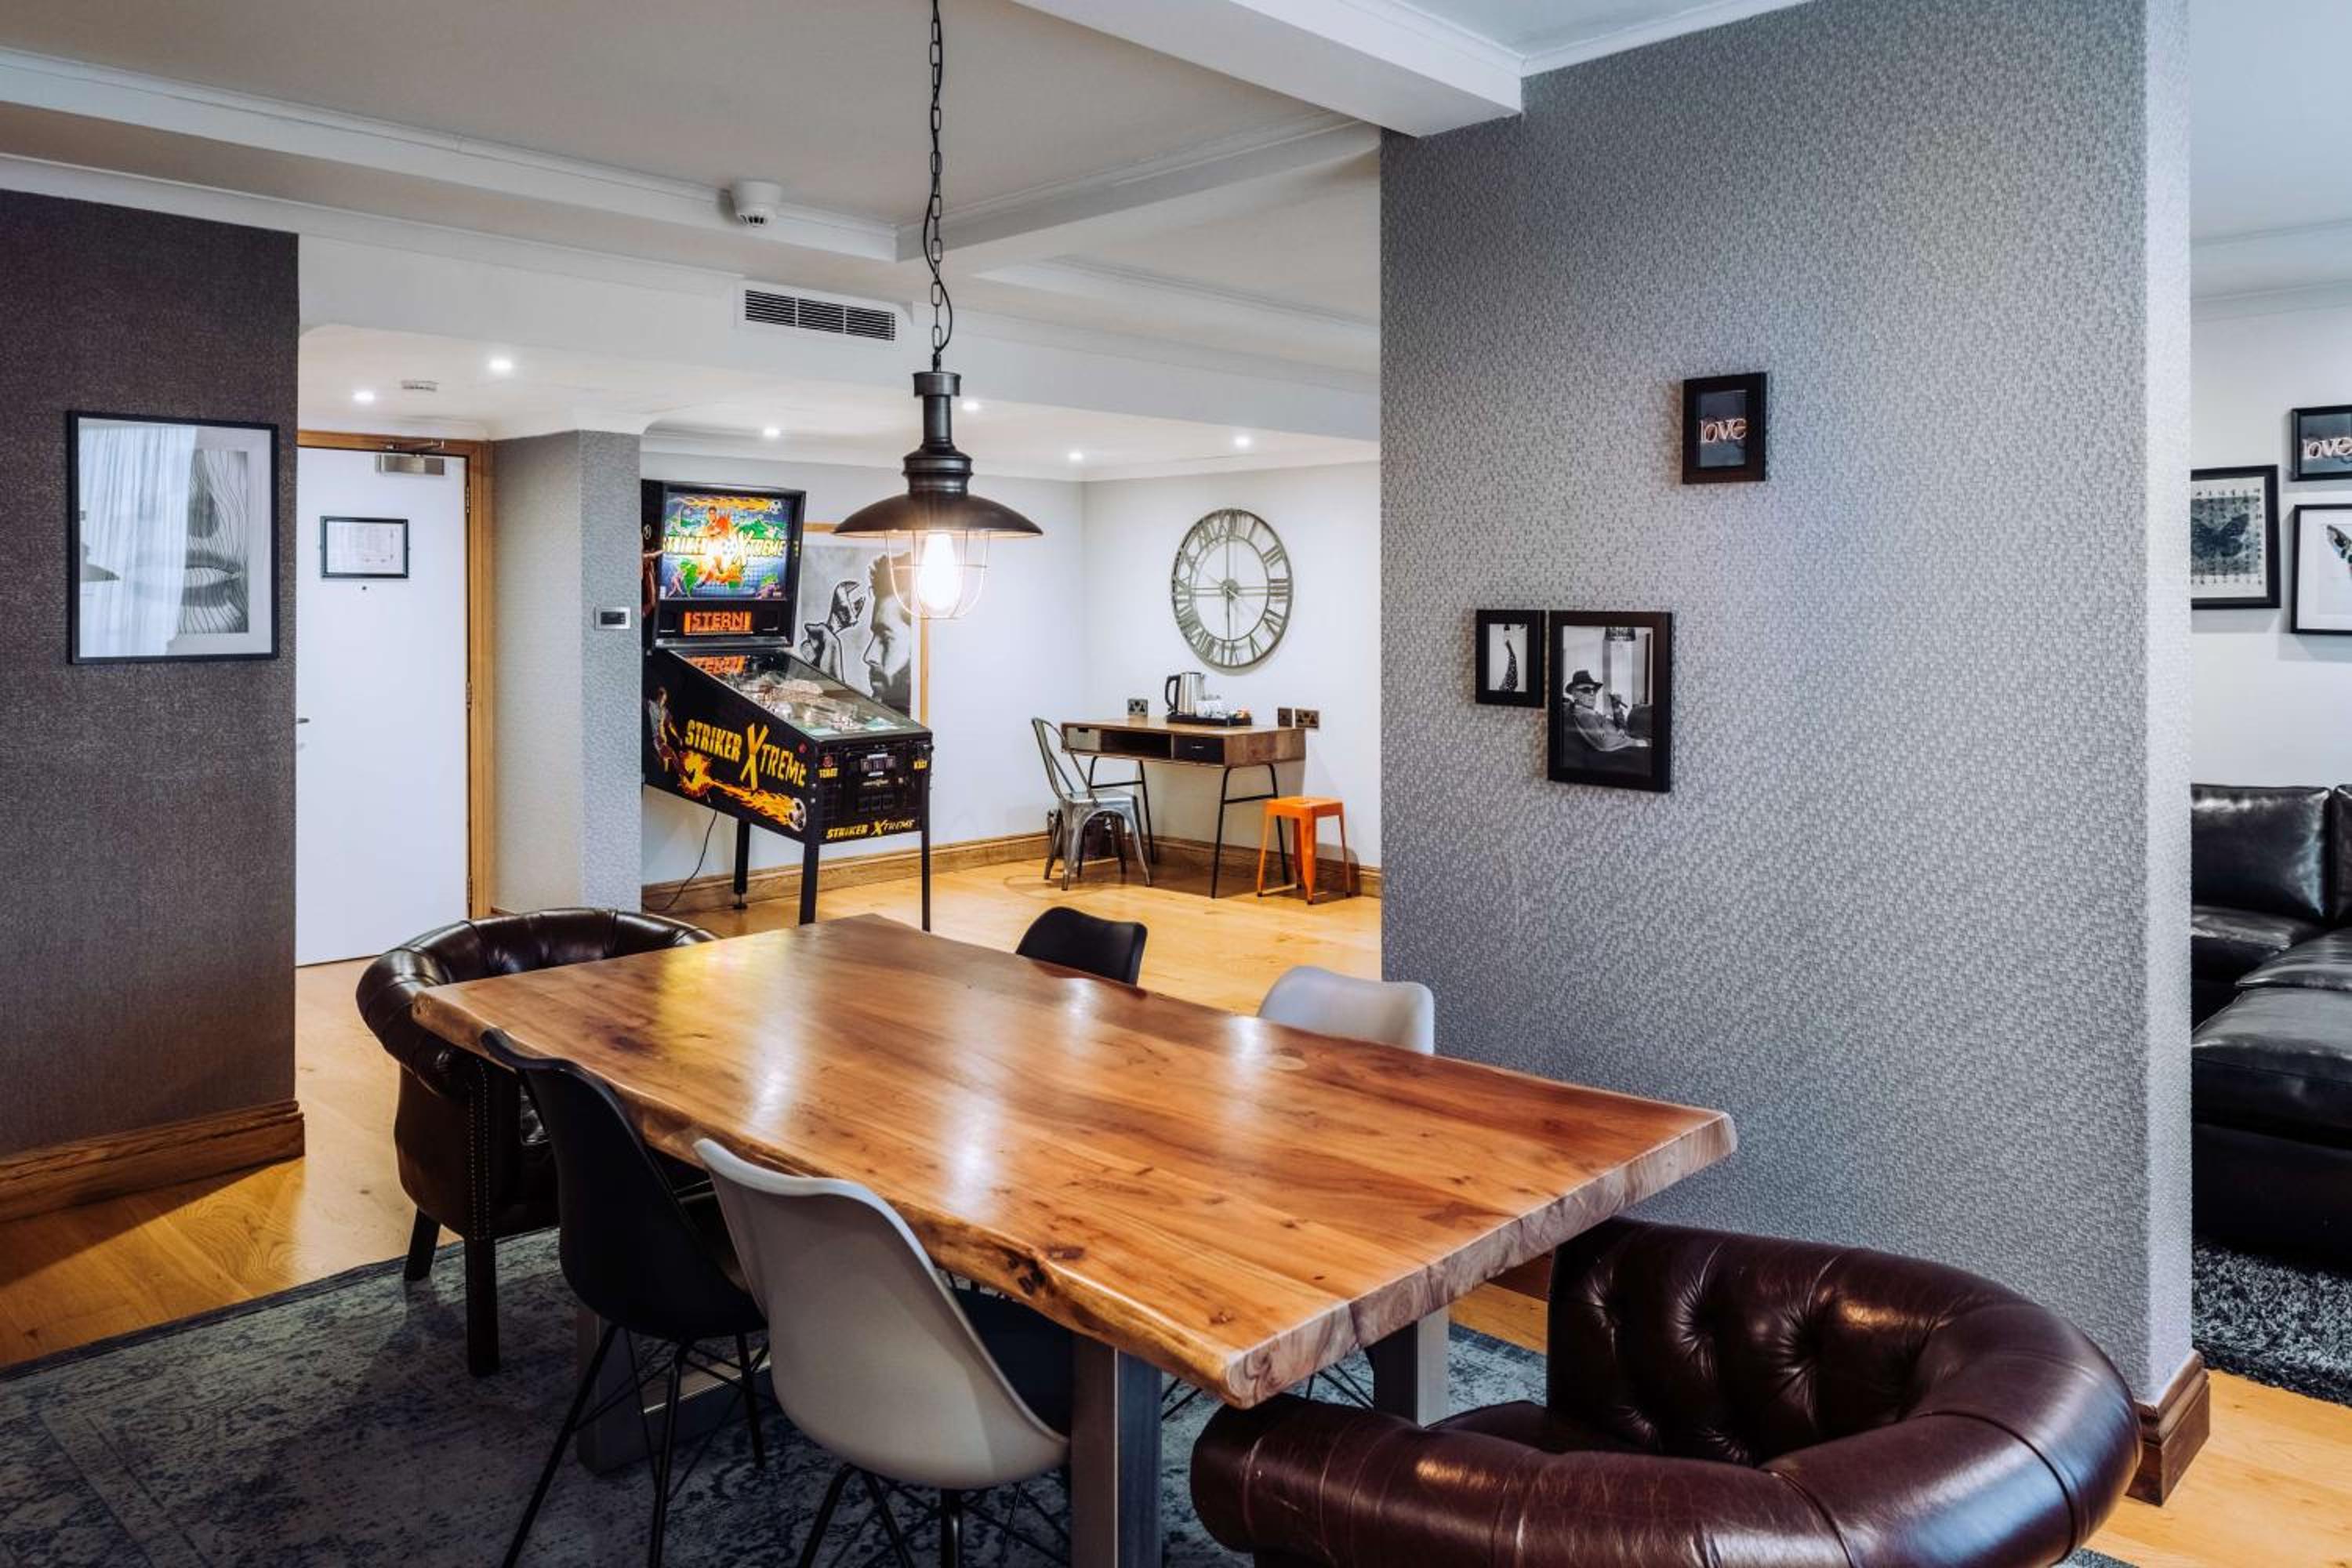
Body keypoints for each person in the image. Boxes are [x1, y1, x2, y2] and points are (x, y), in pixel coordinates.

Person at [1562, 669, 1644, 753]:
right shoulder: (1585, 715)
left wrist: (1616, 708)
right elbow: (1605, 743)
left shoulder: (1594, 714)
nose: (1592, 694)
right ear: (1575, 694)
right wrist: (1636, 743)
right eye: (1586, 690)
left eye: (1594, 690)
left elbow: (1624, 731)